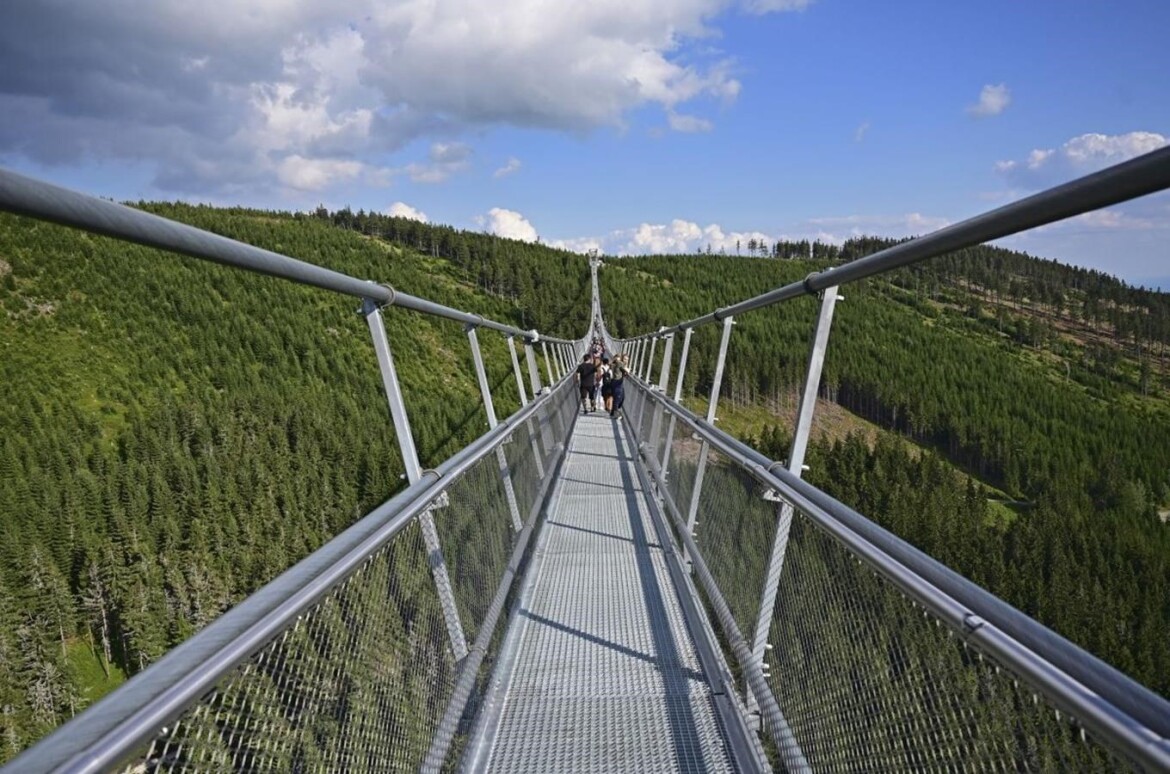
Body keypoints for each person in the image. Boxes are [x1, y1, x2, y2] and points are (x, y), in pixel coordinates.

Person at [609, 353, 628, 418]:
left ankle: (613, 412)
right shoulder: (620, 363)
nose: (626, 361)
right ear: (622, 358)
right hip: (617, 383)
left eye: (627, 359)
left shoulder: (616, 363)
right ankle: (616, 414)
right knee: (618, 398)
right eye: (625, 359)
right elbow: (626, 371)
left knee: (619, 398)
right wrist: (628, 370)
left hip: (615, 382)